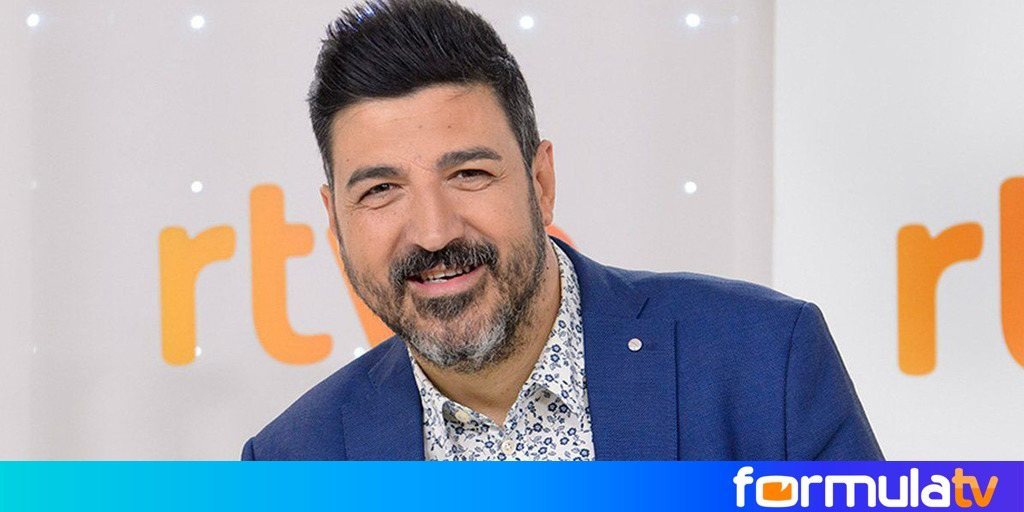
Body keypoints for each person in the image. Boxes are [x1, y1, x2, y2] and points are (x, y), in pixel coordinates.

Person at [242, 0, 883, 461]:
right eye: (381, 190)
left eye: (468, 174)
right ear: (335, 222)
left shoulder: (766, 361)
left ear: (540, 182)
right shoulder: (292, 463)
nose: (433, 233)